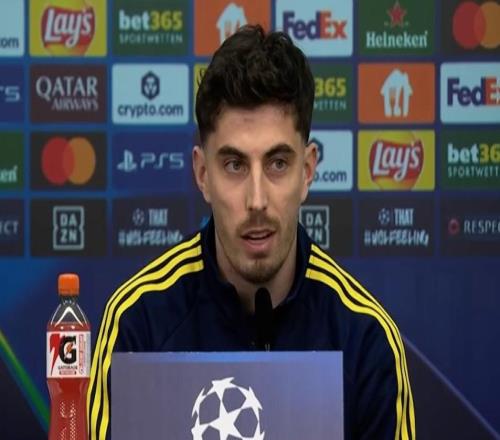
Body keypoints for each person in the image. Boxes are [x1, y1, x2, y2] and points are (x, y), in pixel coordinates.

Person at [87, 25, 415, 440]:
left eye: (278, 163)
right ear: (202, 174)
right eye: (234, 165)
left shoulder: (365, 337)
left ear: (307, 171)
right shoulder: (139, 322)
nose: (257, 200)